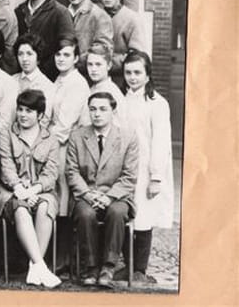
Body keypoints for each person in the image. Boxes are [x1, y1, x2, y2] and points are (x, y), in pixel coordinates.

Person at [66, 92, 138, 288]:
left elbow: (129, 176)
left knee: (117, 212)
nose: (97, 114)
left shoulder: (128, 137)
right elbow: (72, 171)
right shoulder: (77, 136)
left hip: (117, 196)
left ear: (113, 111)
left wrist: (109, 197)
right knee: (86, 214)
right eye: (93, 109)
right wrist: (87, 194)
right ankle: (90, 267)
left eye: (103, 109)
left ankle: (108, 267)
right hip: (85, 194)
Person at [0, 89, 61, 288]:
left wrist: (32, 191)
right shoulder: (6, 134)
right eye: (20, 109)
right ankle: (40, 266)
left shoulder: (51, 139)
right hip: (10, 191)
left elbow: (51, 173)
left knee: (45, 206)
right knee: (21, 208)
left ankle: (34, 267)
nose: (23, 114)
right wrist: (19, 190)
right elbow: (6, 166)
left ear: (40, 115)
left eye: (29, 111)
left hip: (41, 191)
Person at [122, 50, 174, 283]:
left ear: (147, 74)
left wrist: (156, 177)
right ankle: (128, 264)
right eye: (128, 73)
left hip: (146, 167)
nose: (132, 77)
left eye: (137, 72)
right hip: (125, 167)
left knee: (143, 217)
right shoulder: (121, 100)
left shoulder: (157, 103)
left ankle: (140, 269)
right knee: (125, 215)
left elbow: (160, 142)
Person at [47, 37, 90, 219]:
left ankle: (63, 229)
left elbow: (65, 124)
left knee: (63, 187)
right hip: (55, 140)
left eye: (66, 55)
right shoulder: (60, 79)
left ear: (76, 58)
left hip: (67, 143)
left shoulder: (77, 83)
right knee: (56, 187)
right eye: (58, 54)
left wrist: (43, 143)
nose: (61, 59)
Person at [15, 0, 75, 80]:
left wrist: (45, 69)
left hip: (49, 74)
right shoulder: (19, 11)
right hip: (23, 72)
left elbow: (66, 45)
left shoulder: (60, 12)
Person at [98, 0, 147, 89]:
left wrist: (105, 62)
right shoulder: (96, 15)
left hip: (121, 81)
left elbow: (137, 56)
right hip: (96, 78)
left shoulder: (132, 19)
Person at [63, 0, 114, 68]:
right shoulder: (63, 12)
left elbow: (103, 50)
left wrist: (74, 61)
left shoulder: (99, 15)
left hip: (88, 70)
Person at [81, 39, 127, 130]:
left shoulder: (113, 93)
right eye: (90, 64)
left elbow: (119, 129)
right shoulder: (91, 89)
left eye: (98, 64)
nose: (93, 69)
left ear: (109, 65)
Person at [12, 32, 54, 120]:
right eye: (20, 54)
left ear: (38, 56)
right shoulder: (11, 80)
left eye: (29, 54)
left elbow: (45, 119)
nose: (24, 59)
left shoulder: (47, 86)